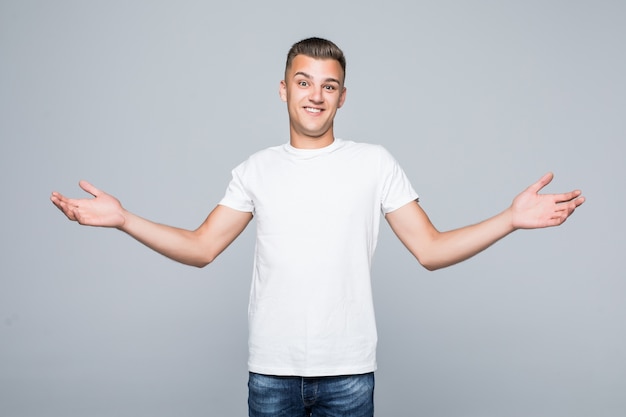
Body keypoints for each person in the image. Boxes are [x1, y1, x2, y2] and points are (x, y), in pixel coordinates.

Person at [50, 37, 585, 417]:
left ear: (343, 96)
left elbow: (430, 248)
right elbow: (201, 247)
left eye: (330, 86)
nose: (315, 95)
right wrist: (123, 220)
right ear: (282, 89)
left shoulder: (375, 162)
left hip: (349, 374)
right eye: (304, 82)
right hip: (271, 373)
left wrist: (511, 220)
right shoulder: (255, 169)